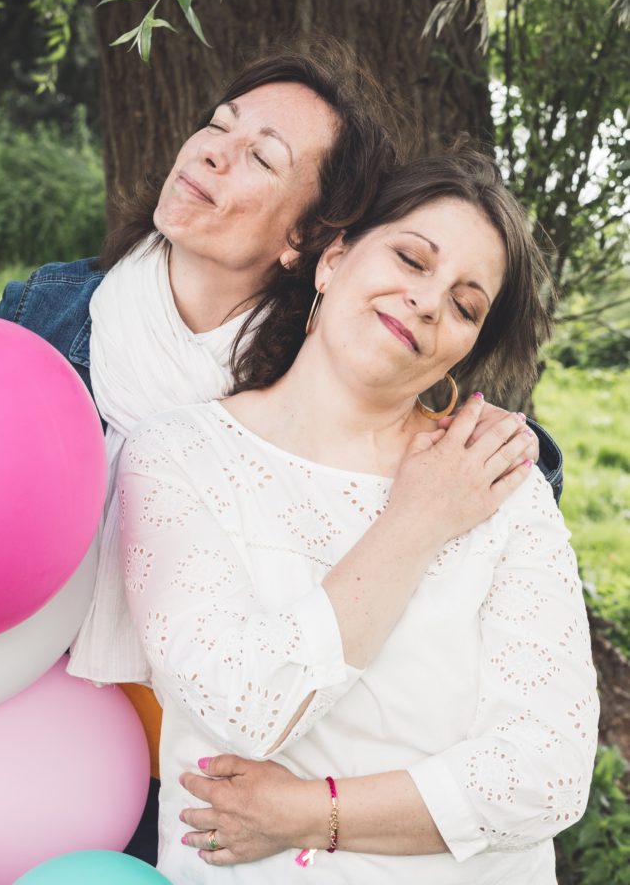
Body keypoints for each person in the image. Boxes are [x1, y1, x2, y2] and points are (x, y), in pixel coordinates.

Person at [118, 148, 598, 884]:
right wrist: (417, 520)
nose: (430, 302)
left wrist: (312, 813)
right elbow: (248, 707)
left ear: (461, 352)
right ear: (333, 259)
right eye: (411, 259)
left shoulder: (501, 483)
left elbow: (549, 772)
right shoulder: (178, 456)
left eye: (466, 305)